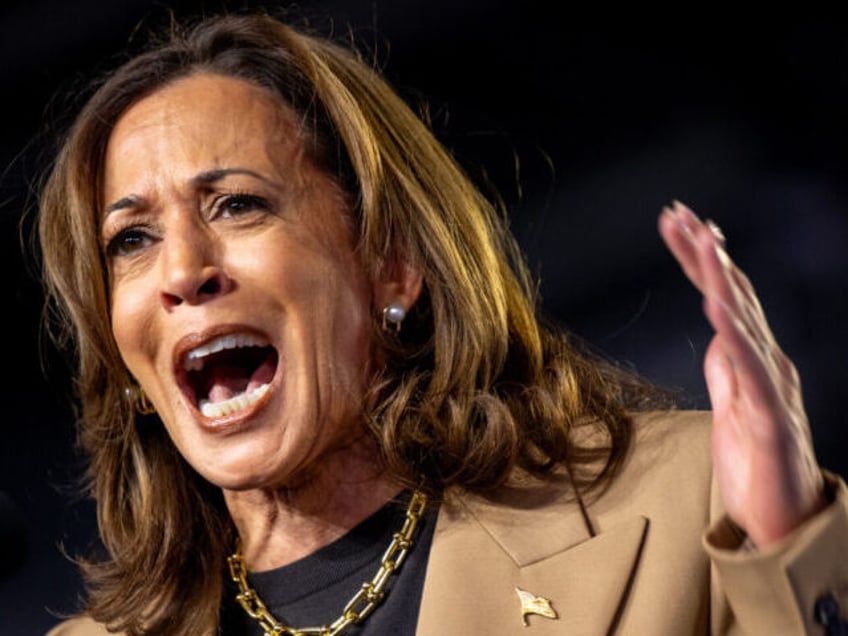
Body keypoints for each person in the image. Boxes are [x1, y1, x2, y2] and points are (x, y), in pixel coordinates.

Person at [35, 9, 846, 636]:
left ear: (391, 263)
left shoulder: (689, 505)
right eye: (131, 240)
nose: (181, 272)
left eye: (238, 204)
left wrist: (785, 548)